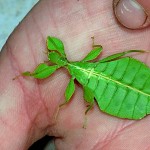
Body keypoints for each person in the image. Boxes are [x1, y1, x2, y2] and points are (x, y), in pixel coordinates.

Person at [0, 0, 150, 149]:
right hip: (113, 79)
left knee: (91, 98)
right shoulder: (82, 62)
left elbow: (77, 100)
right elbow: (98, 49)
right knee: (123, 56)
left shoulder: (72, 78)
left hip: (108, 91)